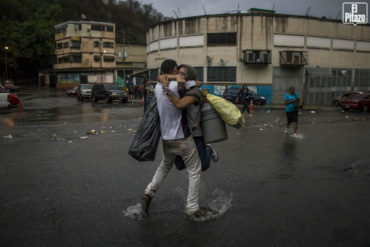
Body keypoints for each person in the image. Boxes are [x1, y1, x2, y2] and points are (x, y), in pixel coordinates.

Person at [140, 59, 208, 219]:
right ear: (174, 70)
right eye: (178, 71)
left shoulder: (158, 87)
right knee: (194, 170)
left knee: (164, 165)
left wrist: (168, 79)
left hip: (166, 138)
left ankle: (148, 192)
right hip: (182, 137)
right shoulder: (177, 86)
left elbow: (194, 82)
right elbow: (195, 83)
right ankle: (192, 208)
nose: (180, 74)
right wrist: (182, 80)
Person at [159, 64, 219, 172]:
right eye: (178, 73)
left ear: (189, 77)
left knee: (204, 166)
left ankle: (208, 149)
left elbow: (180, 104)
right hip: (180, 134)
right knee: (180, 166)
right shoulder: (178, 88)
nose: (179, 76)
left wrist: (166, 88)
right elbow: (161, 78)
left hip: (195, 133)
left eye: (182, 74)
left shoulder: (194, 91)